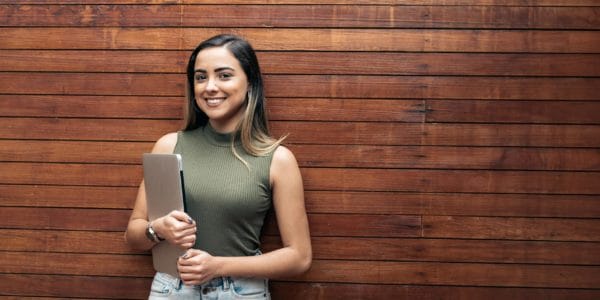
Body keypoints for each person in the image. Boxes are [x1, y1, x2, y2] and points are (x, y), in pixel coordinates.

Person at [125, 34, 312, 299]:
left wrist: (217, 266)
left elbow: (299, 257)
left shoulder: (278, 159)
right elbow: (133, 237)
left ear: (250, 83)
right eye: (201, 77)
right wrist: (159, 229)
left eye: (224, 75)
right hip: (171, 288)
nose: (210, 87)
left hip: (239, 291)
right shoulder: (168, 146)